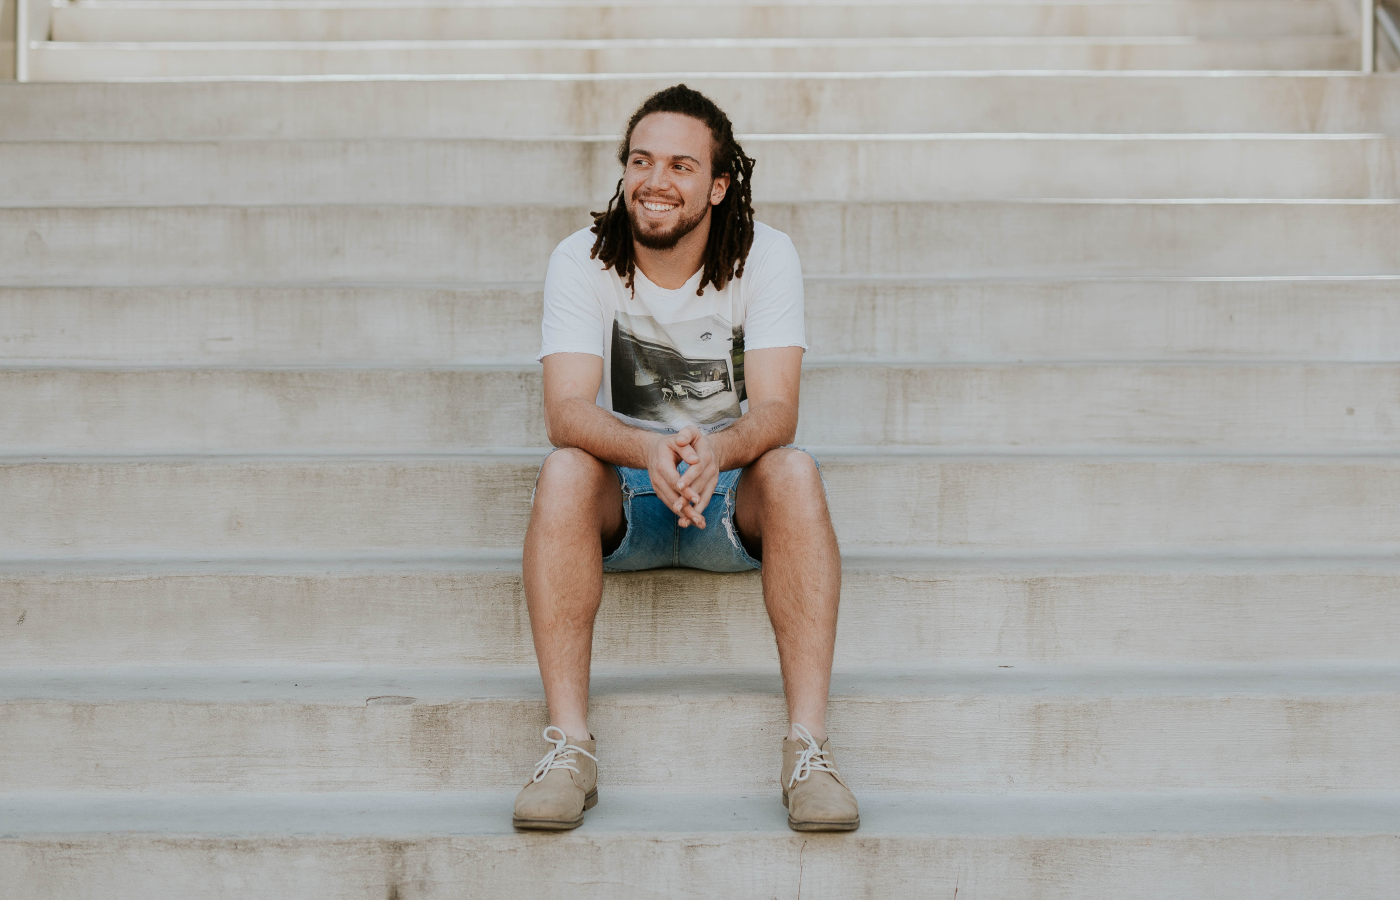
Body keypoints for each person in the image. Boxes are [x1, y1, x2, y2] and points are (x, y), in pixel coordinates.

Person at [514, 84, 858, 834]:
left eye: (680, 165)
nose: (656, 180)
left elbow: (777, 410)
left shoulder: (765, 255)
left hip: (727, 492)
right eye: (641, 161)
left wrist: (716, 453)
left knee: (794, 469)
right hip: (626, 496)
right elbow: (565, 411)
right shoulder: (582, 257)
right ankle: (570, 749)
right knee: (565, 468)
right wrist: (648, 449)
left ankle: (808, 751)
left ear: (719, 184)